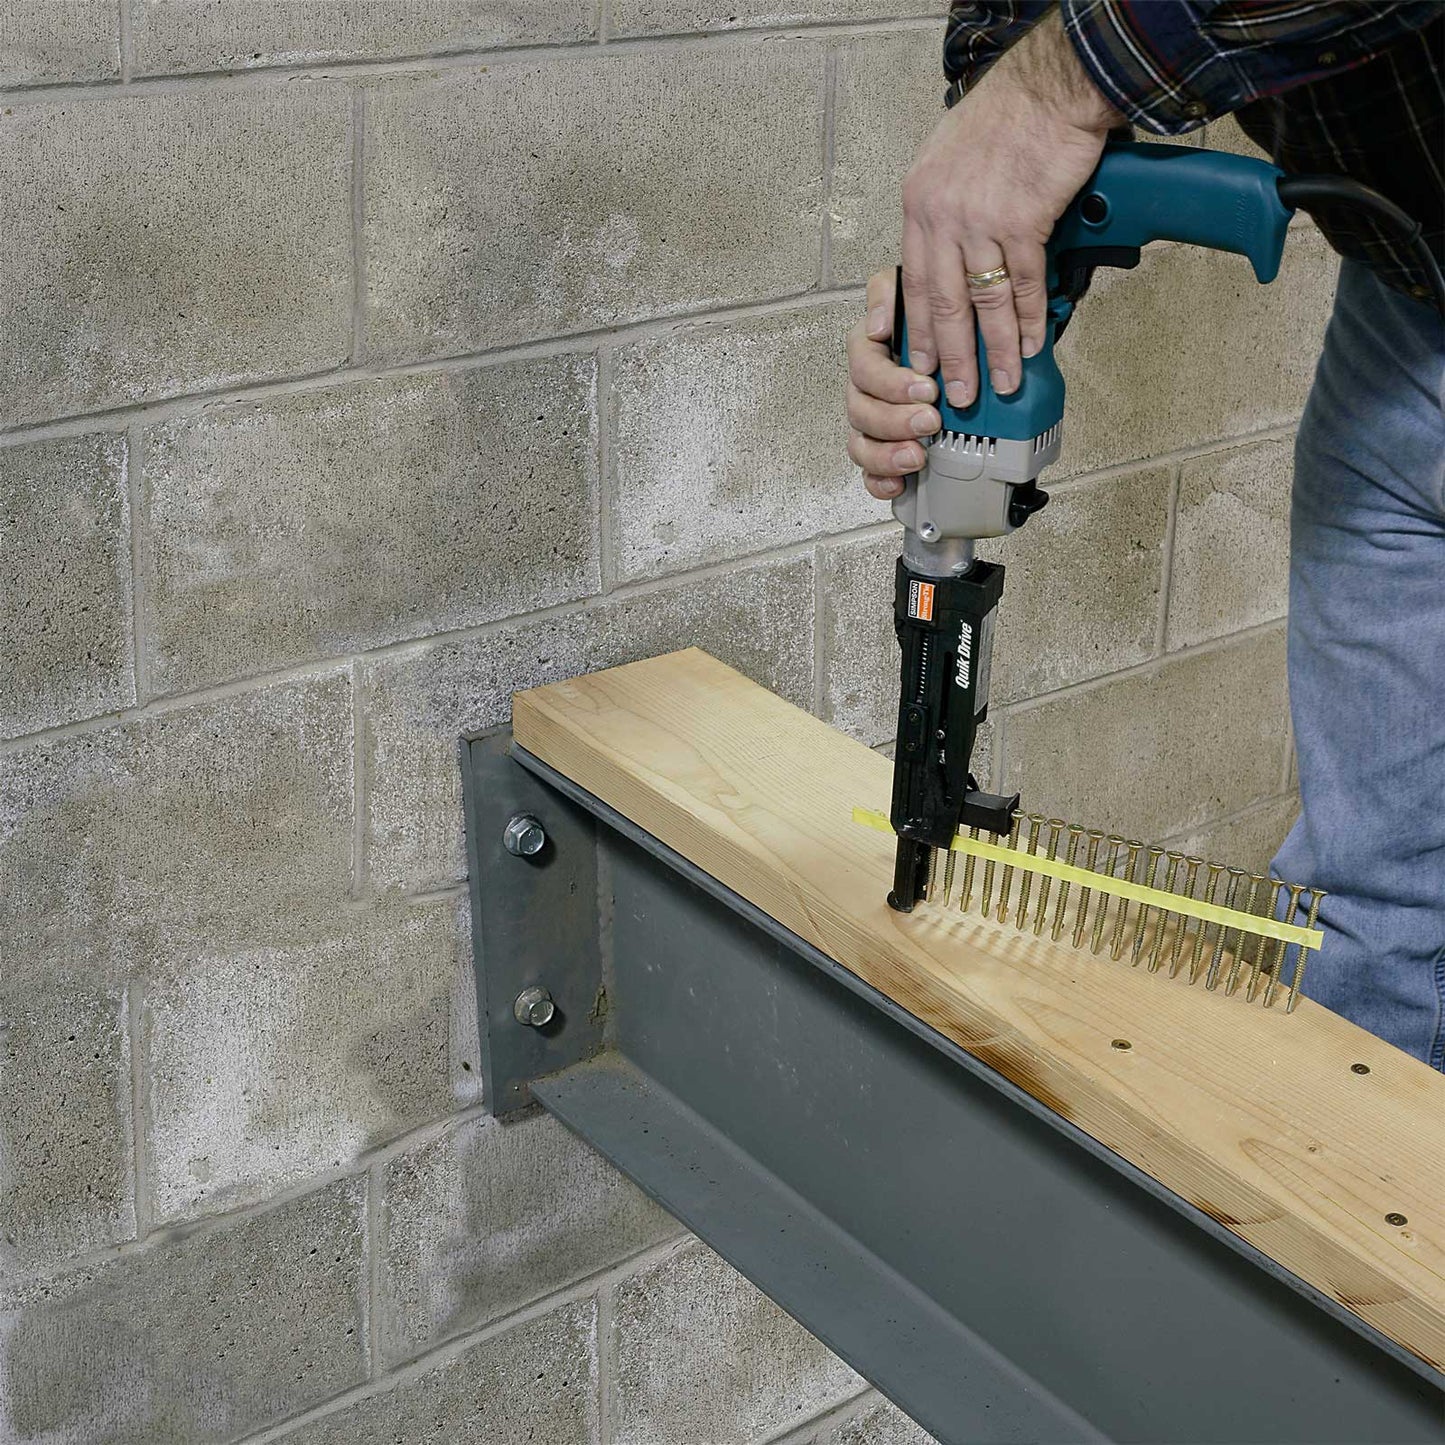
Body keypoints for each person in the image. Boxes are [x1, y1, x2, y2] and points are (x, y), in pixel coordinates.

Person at [846, 1, 1445, 1069]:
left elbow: (1057, 84)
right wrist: (975, 223)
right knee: (1367, 905)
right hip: (1407, 298)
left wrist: (1051, 91)